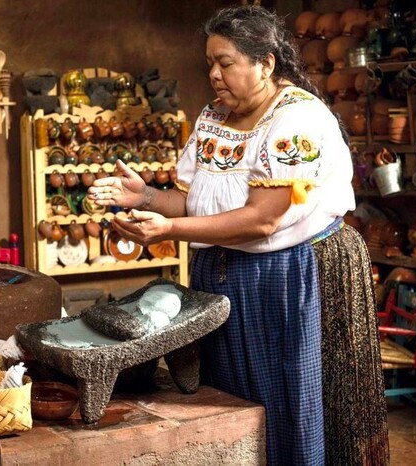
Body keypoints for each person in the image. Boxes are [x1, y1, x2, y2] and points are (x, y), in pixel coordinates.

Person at [87, 5, 388, 465]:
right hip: (224, 277)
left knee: (287, 406)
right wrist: (146, 196)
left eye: (225, 63)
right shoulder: (214, 116)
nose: (214, 74)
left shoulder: (297, 120)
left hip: (287, 279)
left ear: (265, 63)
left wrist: (169, 231)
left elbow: (263, 219)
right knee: (228, 401)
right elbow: (192, 202)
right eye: (210, 63)